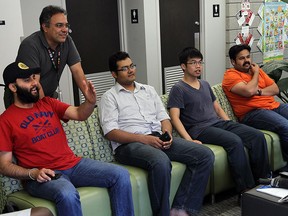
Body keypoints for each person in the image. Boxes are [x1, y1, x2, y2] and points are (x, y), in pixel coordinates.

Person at [0, 62, 134, 216]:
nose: (34, 83)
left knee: (121, 175)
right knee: (67, 194)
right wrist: (33, 173)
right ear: (12, 87)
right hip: (43, 176)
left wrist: (90, 102)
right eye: (27, 80)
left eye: (34, 78)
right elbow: (4, 166)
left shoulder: (48, 103)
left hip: (73, 164)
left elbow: (79, 114)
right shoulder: (5, 121)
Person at [98, 51, 214, 216]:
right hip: (129, 145)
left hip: (157, 138)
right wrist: (144, 139)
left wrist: (166, 133)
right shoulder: (109, 97)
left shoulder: (148, 90)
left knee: (204, 154)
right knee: (160, 161)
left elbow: (164, 118)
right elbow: (110, 132)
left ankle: (181, 209)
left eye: (131, 66)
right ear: (114, 74)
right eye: (124, 68)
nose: (130, 70)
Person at [167, 47, 271, 195]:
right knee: (235, 141)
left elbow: (217, 108)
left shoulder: (204, 84)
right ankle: (245, 190)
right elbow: (174, 117)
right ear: (183, 66)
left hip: (218, 123)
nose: (198, 66)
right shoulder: (178, 89)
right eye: (193, 63)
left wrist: (230, 123)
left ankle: (264, 182)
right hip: (200, 130)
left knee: (257, 136)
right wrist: (189, 140)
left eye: (200, 62)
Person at [4, 5, 88, 108]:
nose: (65, 30)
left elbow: (77, 71)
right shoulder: (30, 45)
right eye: (59, 25)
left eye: (66, 25)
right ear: (45, 27)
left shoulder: (67, 41)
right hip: (25, 100)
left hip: (47, 96)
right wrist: (47, 111)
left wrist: (89, 98)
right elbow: (35, 83)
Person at [222, 44, 288, 163]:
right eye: (241, 58)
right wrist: (256, 73)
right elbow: (249, 91)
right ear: (233, 61)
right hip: (252, 113)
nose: (246, 60)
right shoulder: (231, 76)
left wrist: (259, 92)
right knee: (285, 126)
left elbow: (275, 89)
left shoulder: (255, 70)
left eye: (248, 57)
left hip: (272, 106)